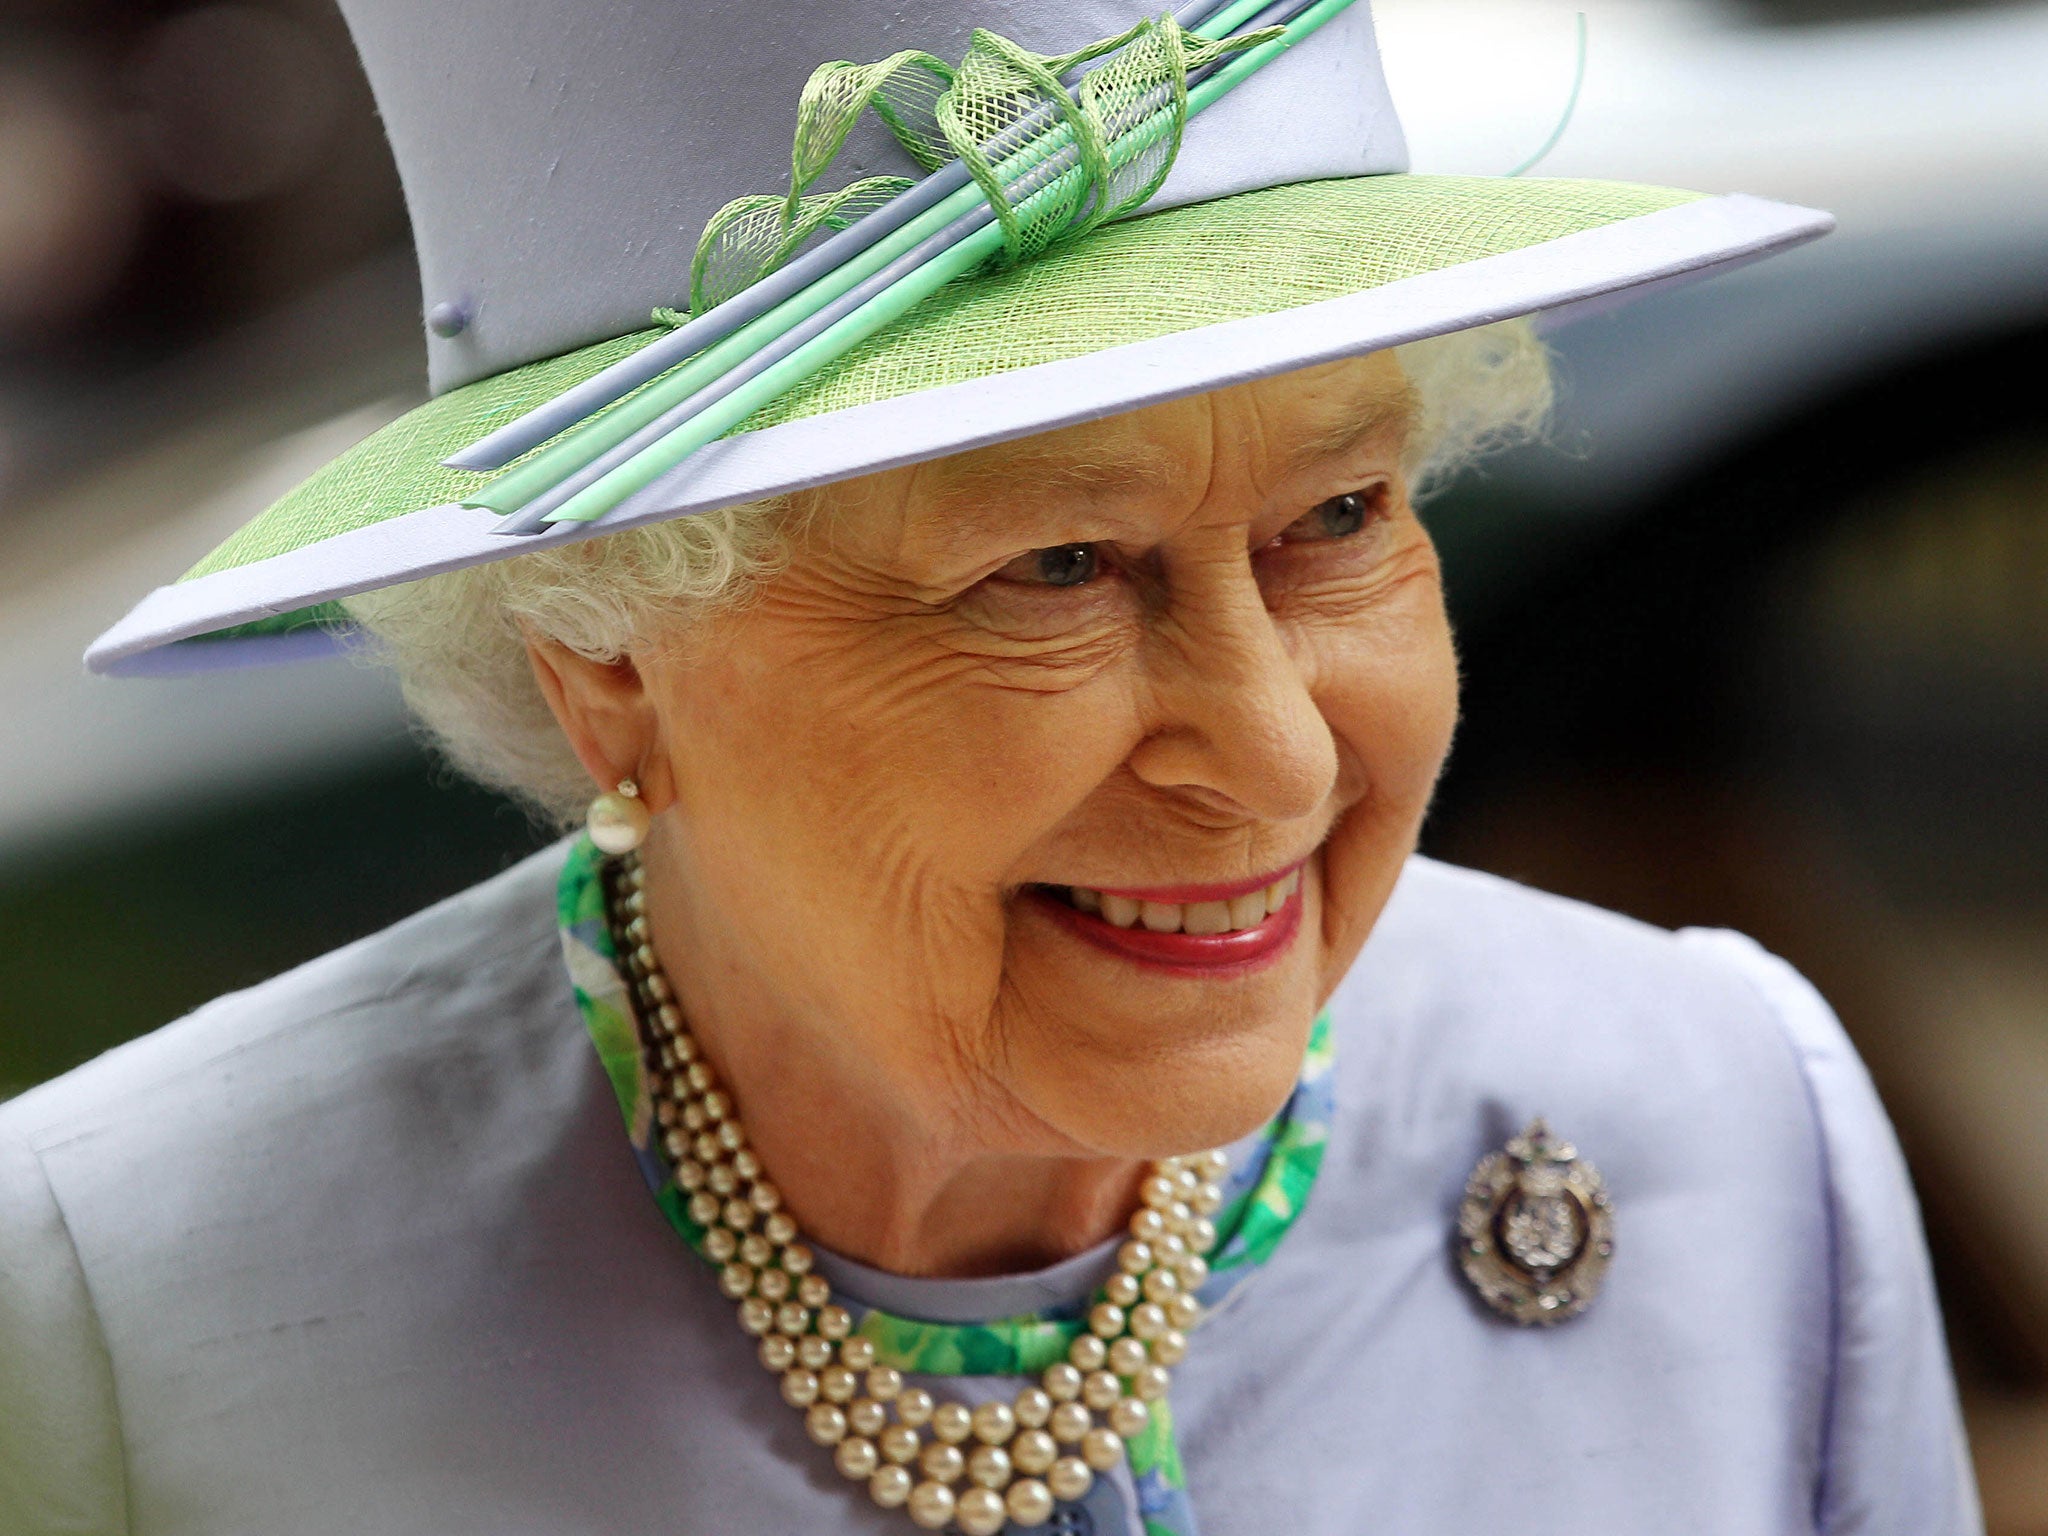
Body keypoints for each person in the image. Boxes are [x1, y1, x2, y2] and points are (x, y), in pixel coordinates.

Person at [1, 1, 1978, 1532]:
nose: (1276, 759)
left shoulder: (1728, 1121)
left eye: (1343, 515)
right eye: (1052, 570)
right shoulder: (115, 1313)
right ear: (603, 668)